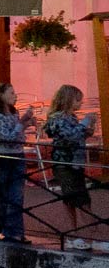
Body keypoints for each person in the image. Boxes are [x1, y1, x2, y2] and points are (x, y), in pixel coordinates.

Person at [42, 84, 102, 251]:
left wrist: (88, 129)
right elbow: (70, 135)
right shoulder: (58, 118)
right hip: (65, 164)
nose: (80, 103)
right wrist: (85, 122)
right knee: (77, 198)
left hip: (75, 162)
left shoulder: (70, 117)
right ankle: (83, 233)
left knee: (75, 198)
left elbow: (77, 134)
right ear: (68, 99)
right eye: (78, 100)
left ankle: (79, 233)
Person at [0, 82, 35, 243]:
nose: (15, 95)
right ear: (1, 96)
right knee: (4, 196)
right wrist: (22, 124)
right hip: (3, 158)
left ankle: (15, 232)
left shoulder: (14, 113)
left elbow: (18, 137)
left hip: (17, 155)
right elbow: (8, 138)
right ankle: (4, 228)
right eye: (12, 93)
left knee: (17, 196)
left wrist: (25, 124)